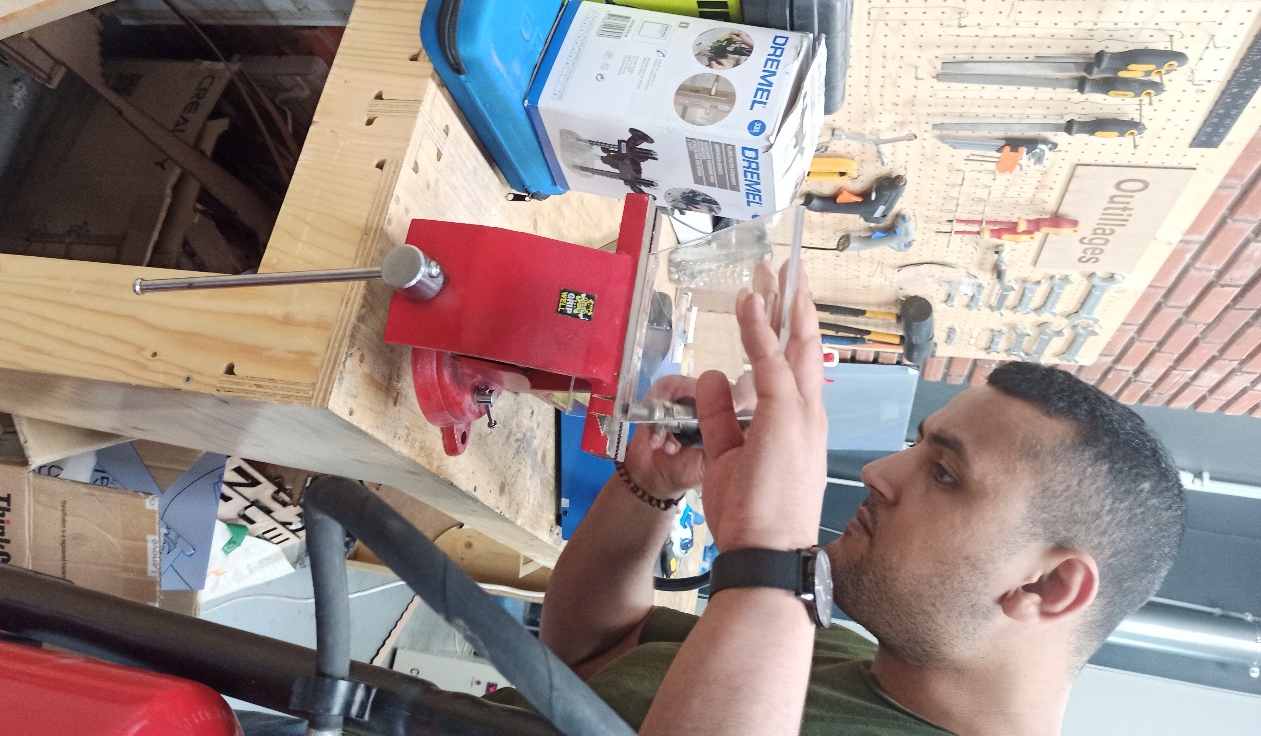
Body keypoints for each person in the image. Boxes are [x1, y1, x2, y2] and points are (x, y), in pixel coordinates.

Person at [502, 268, 1186, 736]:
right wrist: (651, 485)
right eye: (916, 446)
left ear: (1048, 586)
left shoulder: (790, 607)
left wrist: (771, 554)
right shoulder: (837, 646)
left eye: (944, 473)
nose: (879, 472)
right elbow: (586, 655)